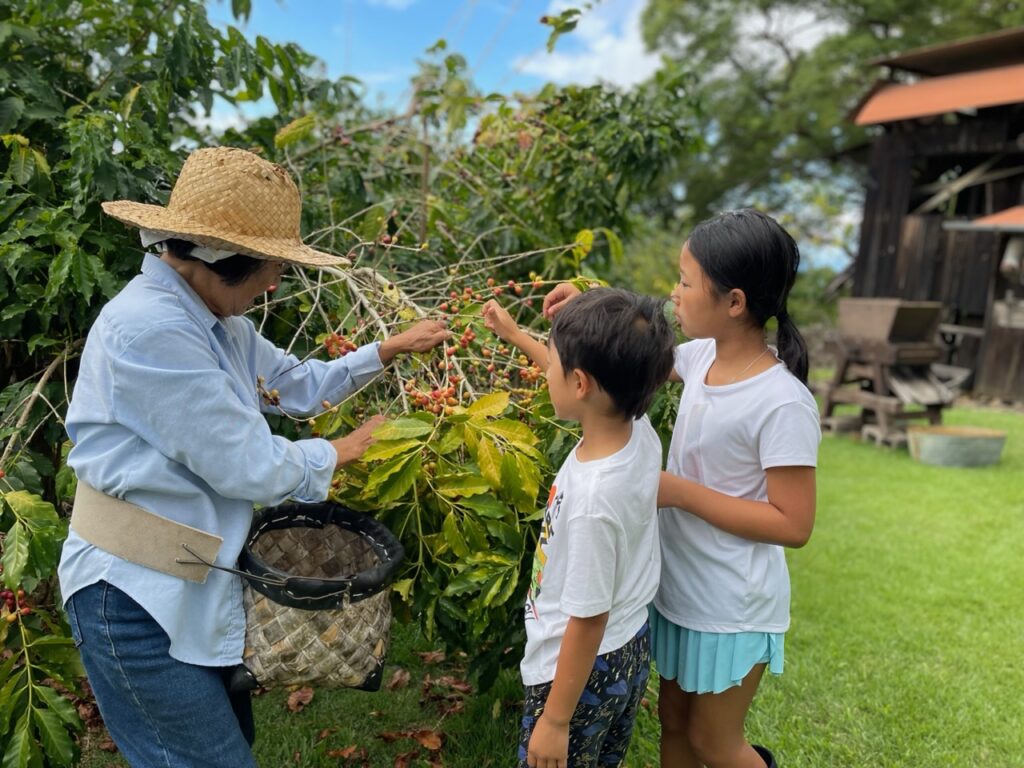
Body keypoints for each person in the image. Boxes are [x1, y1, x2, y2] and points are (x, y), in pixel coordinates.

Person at [58, 146, 449, 767]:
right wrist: (340, 453)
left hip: (186, 581)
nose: (275, 282)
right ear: (222, 259)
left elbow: (294, 385)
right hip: (132, 597)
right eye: (270, 267)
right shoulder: (151, 330)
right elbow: (246, 466)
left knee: (227, 748)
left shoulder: (219, 324)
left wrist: (385, 351)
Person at [545, 209, 820, 768]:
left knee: (714, 744)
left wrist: (678, 491)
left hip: (732, 607)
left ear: (734, 302)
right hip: (678, 591)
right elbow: (623, 353)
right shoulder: (701, 359)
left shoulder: (782, 402)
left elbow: (794, 524)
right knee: (673, 726)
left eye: (686, 281)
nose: (675, 292)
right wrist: (585, 305)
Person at [482, 288, 675, 768]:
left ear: (581, 384)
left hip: (578, 670)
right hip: (629, 648)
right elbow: (580, 368)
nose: (546, 370)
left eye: (552, 365)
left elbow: (587, 620)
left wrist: (555, 720)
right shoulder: (638, 427)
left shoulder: (593, 499)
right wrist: (512, 334)